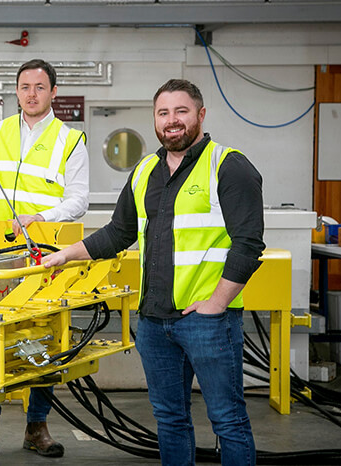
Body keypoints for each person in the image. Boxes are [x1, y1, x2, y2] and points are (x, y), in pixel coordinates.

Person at [42, 79, 264, 466]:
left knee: (227, 420)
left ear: (200, 115)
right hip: (155, 323)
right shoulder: (145, 169)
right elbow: (119, 232)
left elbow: (248, 244)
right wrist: (67, 255)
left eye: (181, 111)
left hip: (207, 321)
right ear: (155, 120)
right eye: (163, 113)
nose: (172, 121)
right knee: (170, 420)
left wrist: (216, 303)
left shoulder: (228, 166)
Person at [0, 59, 89, 459]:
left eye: (40, 87)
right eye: (25, 86)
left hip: (45, 254)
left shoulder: (70, 139)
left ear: (53, 93)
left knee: (41, 337)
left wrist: (44, 217)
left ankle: (36, 427)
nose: (31, 93)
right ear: (16, 92)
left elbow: (79, 200)